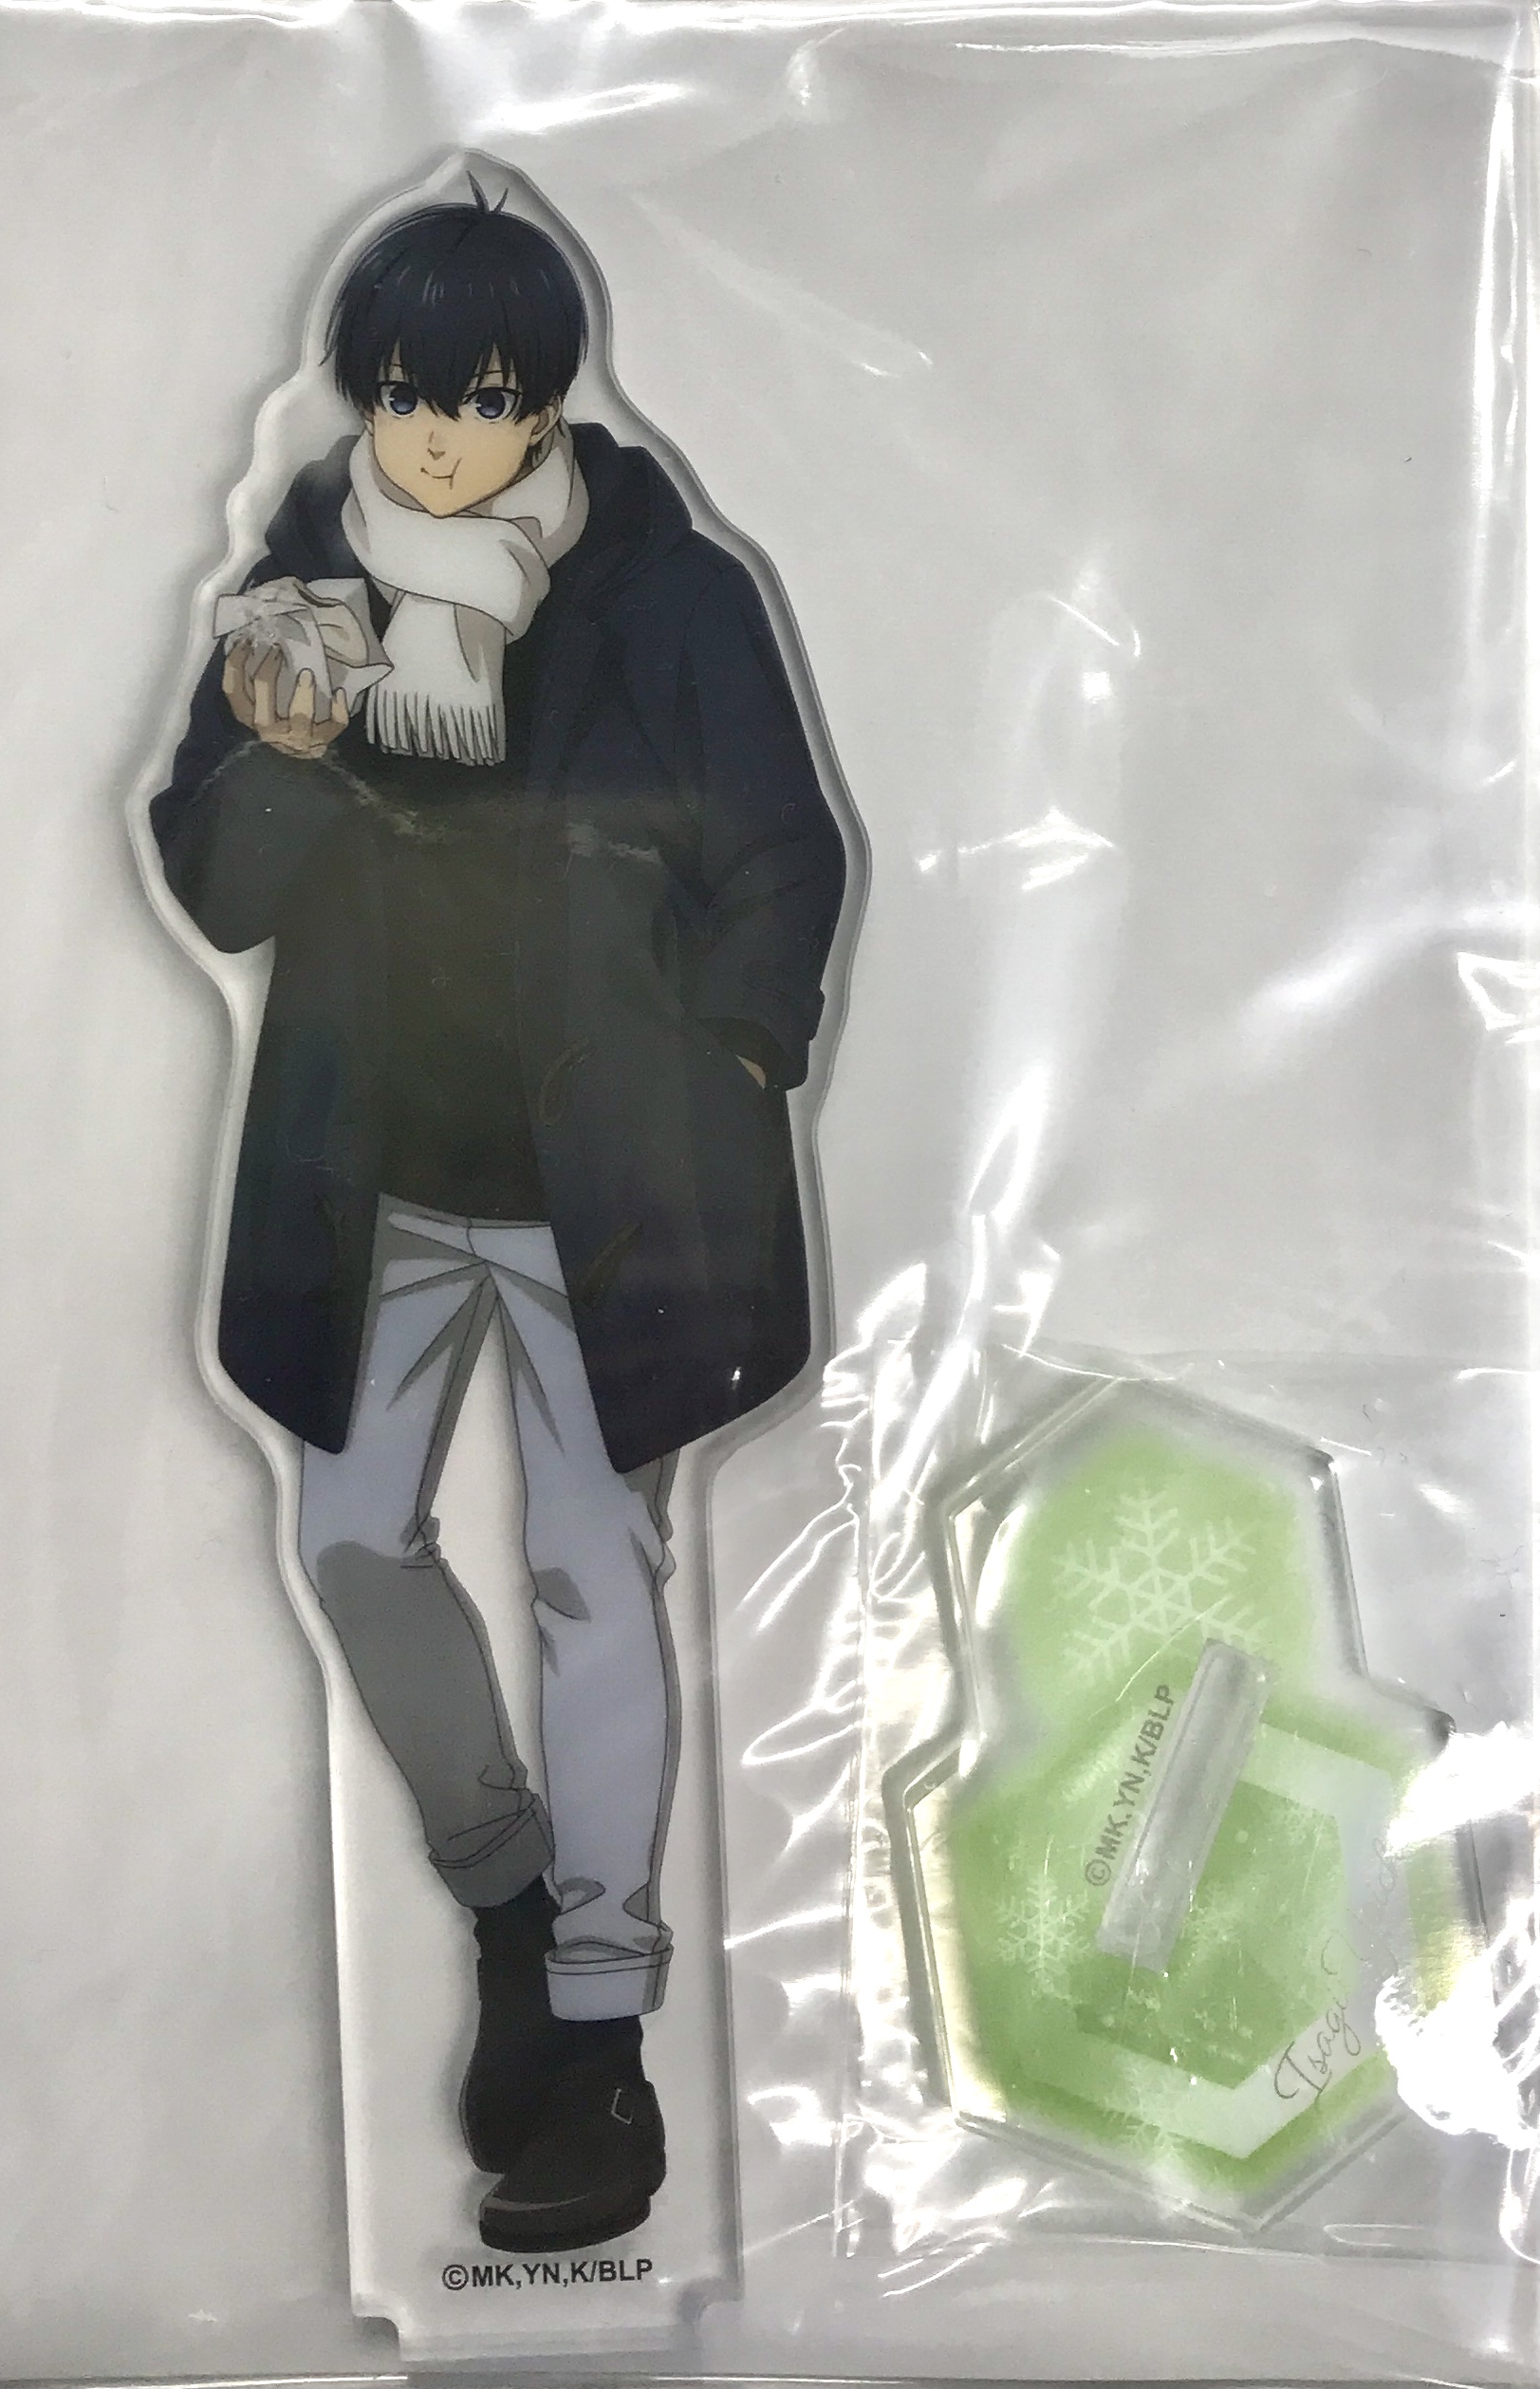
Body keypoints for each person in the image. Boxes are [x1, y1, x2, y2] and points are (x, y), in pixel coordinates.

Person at [148, 187, 847, 2254]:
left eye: (477, 398)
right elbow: (217, 885)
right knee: (349, 1540)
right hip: (369, 1167)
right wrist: (282, 753)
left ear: (543, 399)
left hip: (602, 1186)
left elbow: (783, 849)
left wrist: (731, 1064)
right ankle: (511, 1894)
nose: (435, 440)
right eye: (400, 396)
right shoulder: (299, 594)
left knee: (588, 1574)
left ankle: (603, 2027)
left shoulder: (668, 593)